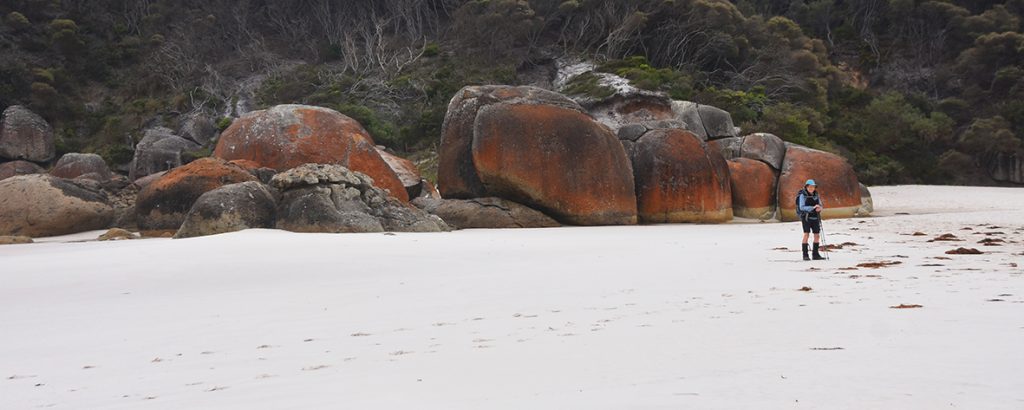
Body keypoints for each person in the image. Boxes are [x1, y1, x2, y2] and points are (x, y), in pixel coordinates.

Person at [797, 179, 825, 261]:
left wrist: (819, 208)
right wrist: (812, 208)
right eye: (810, 187)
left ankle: (815, 255)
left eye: (813, 187)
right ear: (806, 187)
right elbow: (801, 207)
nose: (812, 188)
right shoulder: (802, 195)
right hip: (806, 217)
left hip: (815, 217)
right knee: (806, 234)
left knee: (817, 235)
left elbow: (821, 205)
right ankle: (805, 255)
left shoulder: (816, 195)